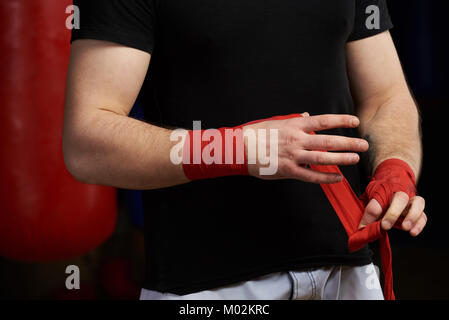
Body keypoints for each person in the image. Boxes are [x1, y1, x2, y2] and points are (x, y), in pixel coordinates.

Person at [64, 0, 426, 300]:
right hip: (210, 287)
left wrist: (395, 165)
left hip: (349, 272)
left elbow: (385, 97)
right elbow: (87, 140)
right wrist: (237, 148)